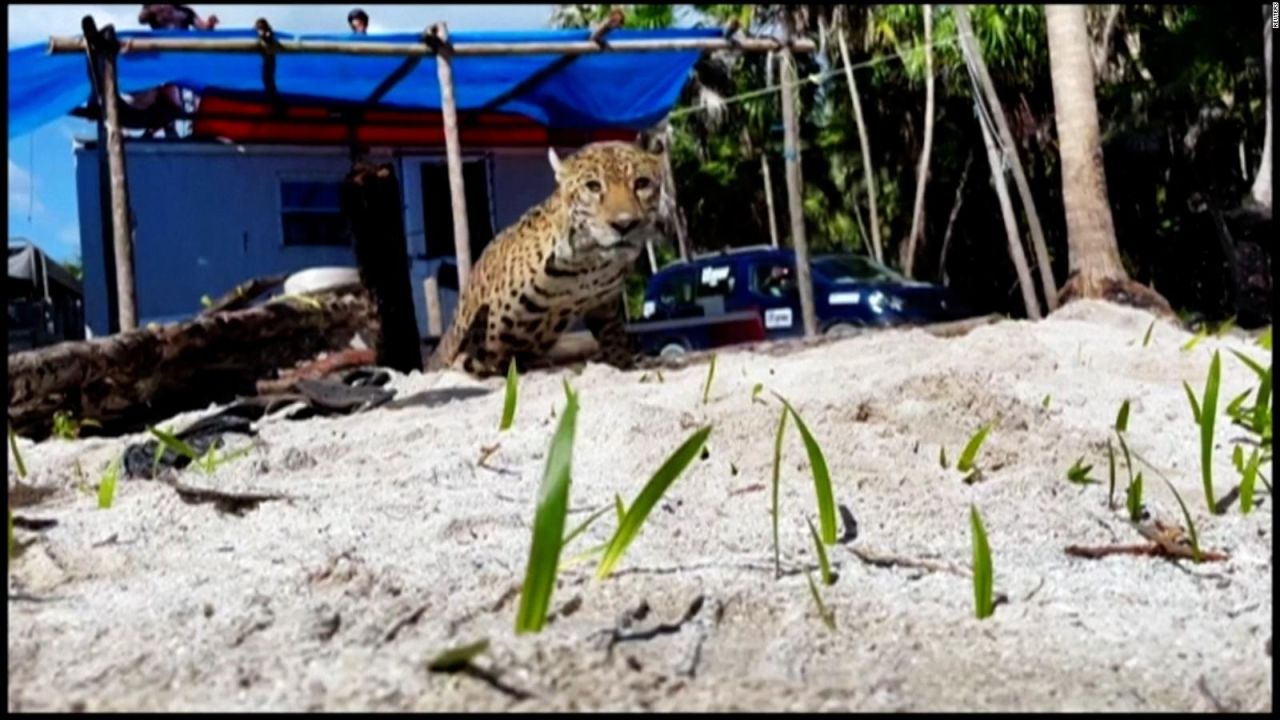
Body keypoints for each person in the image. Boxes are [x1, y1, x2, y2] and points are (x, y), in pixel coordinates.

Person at [138, 4, 219, 30]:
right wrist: (149, 10)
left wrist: (210, 23)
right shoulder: (154, 7)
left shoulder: (187, 11)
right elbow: (141, 20)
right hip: (160, 48)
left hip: (181, 48)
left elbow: (202, 28)